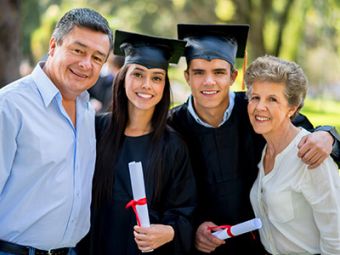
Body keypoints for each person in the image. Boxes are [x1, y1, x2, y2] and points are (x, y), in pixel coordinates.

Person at [168, 24, 340, 254]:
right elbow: (171, 193)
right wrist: (194, 227)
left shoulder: (253, 111)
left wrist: (329, 135)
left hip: (257, 245)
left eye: (219, 72)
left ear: (233, 76)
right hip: (206, 247)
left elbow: (302, 132)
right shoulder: (172, 126)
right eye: (199, 72)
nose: (209, 81)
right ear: (187, 76)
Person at [0, 8, 113, 255]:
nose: (86, 64)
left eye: (97, 58)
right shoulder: (9, 106)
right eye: (78, 50)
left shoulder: (86, 110)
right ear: (53, 45)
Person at [78, 30, 196, 255]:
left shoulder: (173, 146)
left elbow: (185, 211)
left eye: (156, 78)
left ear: (164, 86)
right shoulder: (95, 130)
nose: (147, 85)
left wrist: (170, 231)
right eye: (138, 74)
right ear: (123, 78)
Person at [245, 55, 340, 255]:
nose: (259, 107)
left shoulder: (310, 156)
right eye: (255, 97)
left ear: (292, 108)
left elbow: (336, 238)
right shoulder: (265, 149)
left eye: (272, 99)